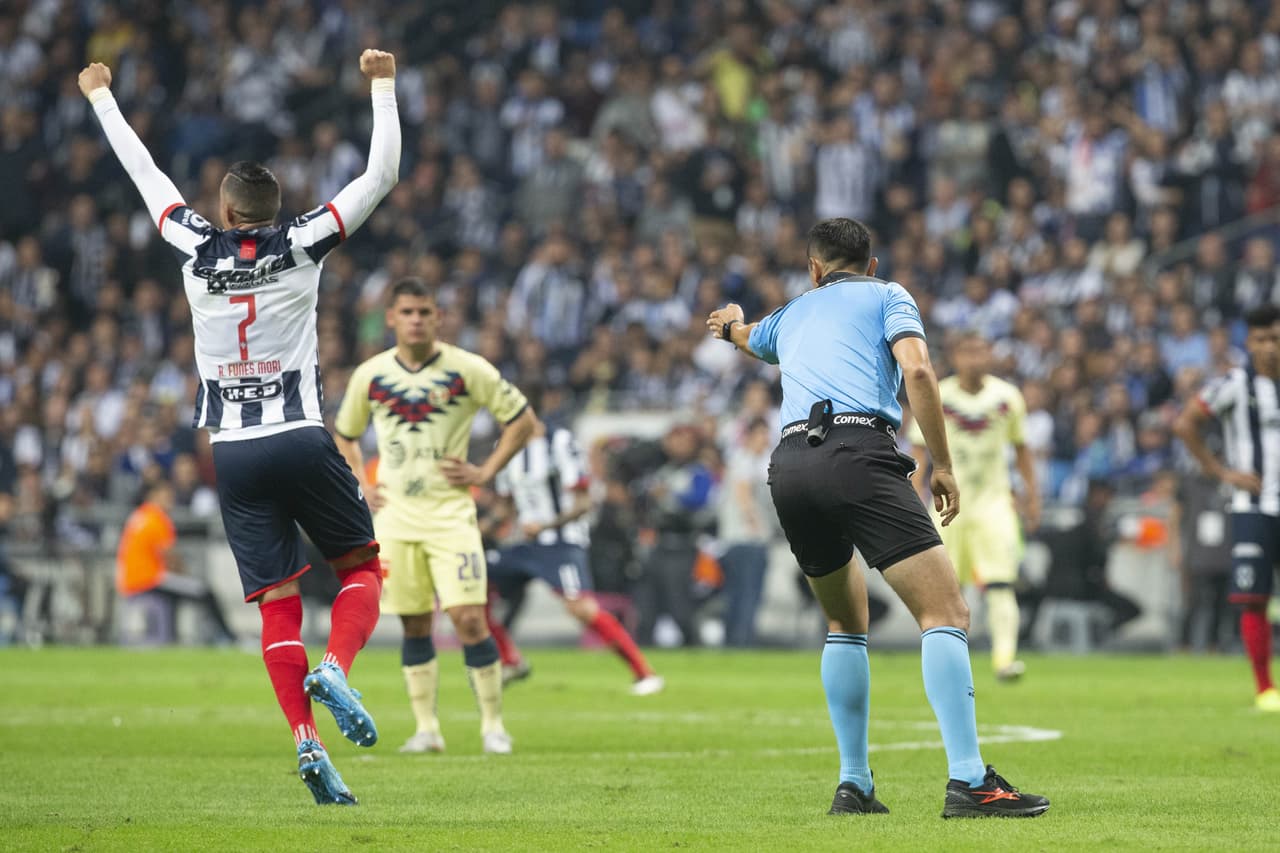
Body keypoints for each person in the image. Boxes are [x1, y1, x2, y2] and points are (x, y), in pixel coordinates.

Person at [81, 49, 401, 805]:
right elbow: (380, 175)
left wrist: (100, 97)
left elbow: (147, 176)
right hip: (298, 431)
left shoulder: (195, 246)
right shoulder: (303, 241)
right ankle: (338, 669)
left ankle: (305, 739)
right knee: (360, 569)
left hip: (231, 450)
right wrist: (382, 84)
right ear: (273, 208)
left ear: (225, 213)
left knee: (276, 602)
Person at [706, 217, 1048, 818]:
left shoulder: (792, 313)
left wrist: (729, 320)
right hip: (858, 452)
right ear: (872, 263)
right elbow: (917, 370)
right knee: (946, 612)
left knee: (845, 621)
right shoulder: (890, 296)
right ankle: (969, 781)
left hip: (790, 466)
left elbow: (744, 334)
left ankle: (854, 784)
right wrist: (941, 464)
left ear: (814, 269)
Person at [334, 278, 537, 755]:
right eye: (407, 312)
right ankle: (427, 730)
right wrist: (362, 482)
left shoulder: (468, 369)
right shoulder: (371, 375)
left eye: (425, 312)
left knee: (468, 617)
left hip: (452, 517)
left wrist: (484, 470)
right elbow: (344, 434)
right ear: (391, 318)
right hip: (396, 520)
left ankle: (492, 726)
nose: (416, 320)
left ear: (438, 317)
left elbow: (524, 421)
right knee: (414, 623)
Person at [485, 414, 665, 694]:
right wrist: (474, 529)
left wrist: (546, 525)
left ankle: (644, 673)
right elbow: (505, 507)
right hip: (524, 544)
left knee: (580, 608)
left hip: (561, 542)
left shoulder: (560, 442)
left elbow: (584, 503)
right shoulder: (505, 446)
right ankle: (511, 661)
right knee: (472, 591)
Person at [907, 332, 1041, 681]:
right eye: (968, 351)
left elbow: (1022, 448)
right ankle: (948, 662)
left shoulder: (1007, 397)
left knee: (1000, 582)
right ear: (955, 356)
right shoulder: (938, 394)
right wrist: (912, 497)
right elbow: (919, 453)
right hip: (946, 505)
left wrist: (1032, 495)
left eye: (982, 351)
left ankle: (1004, 659)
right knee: (946, 588)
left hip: (994, 503)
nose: (976, 359)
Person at [1173, 304, 1280, 712]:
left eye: (1275, 339)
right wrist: (1221, 471)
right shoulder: (1237, 383)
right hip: (1252, 507)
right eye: (1261, 340)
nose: (1269, 348)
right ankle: (1265, 688)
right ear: (1249, 343)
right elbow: (1185, 423)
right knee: (1254, 598)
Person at [115, 480, 236, 644]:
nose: (170, 500)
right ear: (153, 496)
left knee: (177, 593)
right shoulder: (157, 518)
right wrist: (186, 574)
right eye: (166, 496)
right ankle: (225, 637)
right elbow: (170, 557)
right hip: (151, 578)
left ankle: (171, 637)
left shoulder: (139, 516)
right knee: (204, 592)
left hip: (131, 580)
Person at [716, 416, 776, 647]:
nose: (765, 440)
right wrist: (756, 524)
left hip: (733, 540)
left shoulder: (741, 460)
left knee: (735, 595)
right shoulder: (745, 460)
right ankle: (741, 642)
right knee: (748, 596)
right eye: (762, 435)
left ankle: (732, 641)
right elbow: (743, 493)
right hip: (747, 539)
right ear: (750, 436)